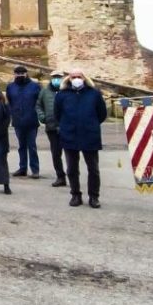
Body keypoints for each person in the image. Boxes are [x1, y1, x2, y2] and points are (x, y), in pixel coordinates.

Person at [54, 67, 107, 208]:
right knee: (72, 169)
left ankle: (94, 197)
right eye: (73, 77)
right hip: (69, 135)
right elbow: (57, 114)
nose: (76, 79)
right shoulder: (62, 95)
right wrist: (67, 125)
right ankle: (75, 195)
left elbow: (102, 114)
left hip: (90, 135)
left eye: (79, 76)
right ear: (69, 79)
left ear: (84, 78)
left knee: (93, 169)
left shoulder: (94, 94)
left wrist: (91, 123)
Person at [6, 65, 42, 179]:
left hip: (31, 120)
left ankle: (35, 169)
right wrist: (12, 114)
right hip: (18, 121)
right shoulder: (11, 87)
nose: (20, 75)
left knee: (32, 146)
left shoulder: (35, 86)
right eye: (18, 74)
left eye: (22, 73)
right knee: (21, 146)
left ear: (26, 74)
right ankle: (22, 168)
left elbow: (39, 102)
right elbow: (10, 102)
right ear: (14, 75)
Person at [37, 70, 66, 187]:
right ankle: (60, 176)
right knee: (56, 154)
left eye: (59, 77)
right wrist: (43, 117)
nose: (56, 79)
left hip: (66, 127)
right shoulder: (45, 92)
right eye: (54, 77)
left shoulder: (67, 91)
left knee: (71, 154)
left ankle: (73, 175)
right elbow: (38, 105)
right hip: (52, 127)